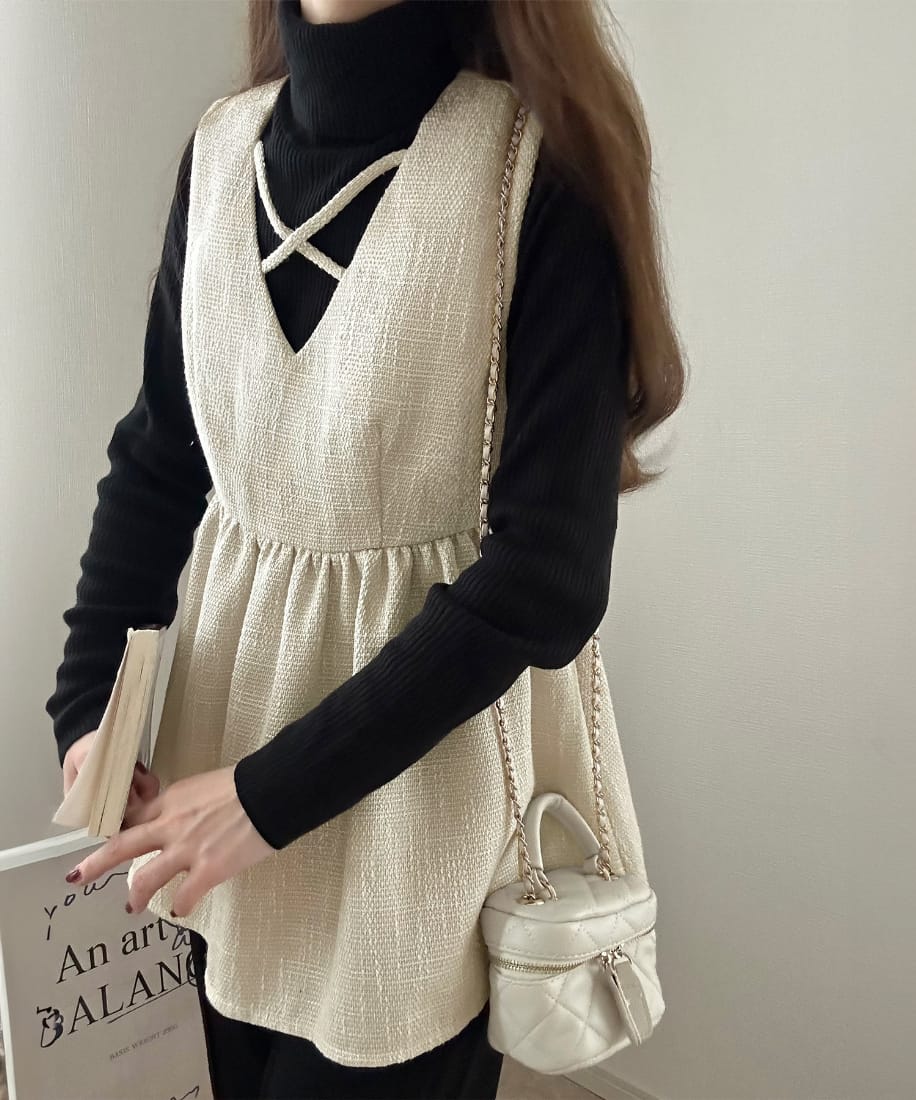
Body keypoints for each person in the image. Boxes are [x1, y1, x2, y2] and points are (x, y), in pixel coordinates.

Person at [47, 0, 685, 1096]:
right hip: (208, 781)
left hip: (411, 811)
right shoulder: (221, 153)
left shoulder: (531, 171)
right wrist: (90, 702)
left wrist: (266, 797)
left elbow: (546, 576)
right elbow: (159, 458)